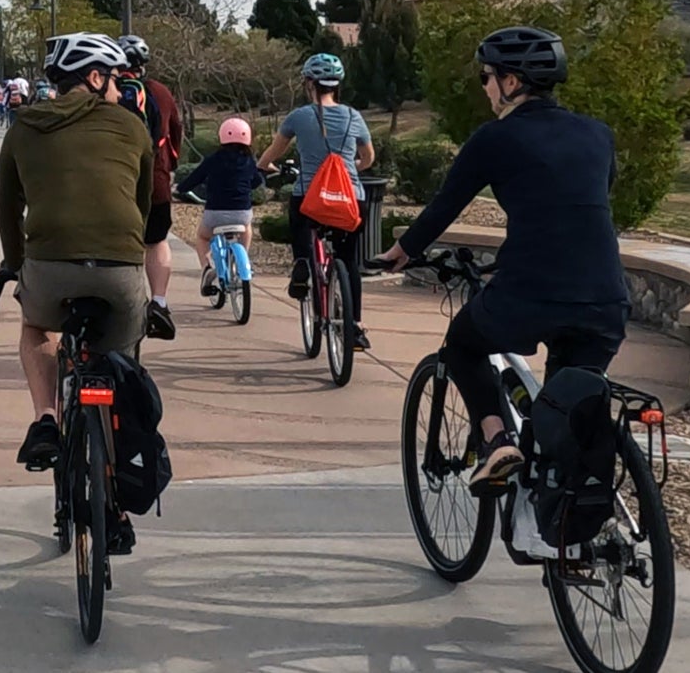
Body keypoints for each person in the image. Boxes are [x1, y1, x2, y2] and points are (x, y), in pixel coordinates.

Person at [376, 26, 630, 493]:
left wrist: (401, 252)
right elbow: (581, 204)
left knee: (462, 344)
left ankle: (497, 443)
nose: (485, 87)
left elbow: (445, 205)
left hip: (533, 292)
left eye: (486, 76)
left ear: (511, 82)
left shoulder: (494, 138)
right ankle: (577, 537)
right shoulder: (599, 134)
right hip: (606, 297)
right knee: (568, 405)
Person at [0, 32, 153, 552]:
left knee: (36, 328)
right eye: (113, 79)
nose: (117, 89)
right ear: (93, 77)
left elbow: (6, 204)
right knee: (121, 361)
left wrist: (16, 266)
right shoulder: (131, 126)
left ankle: (45, 419)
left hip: (50, 268)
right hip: (120, 270)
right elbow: (146, 205)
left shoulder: (23, 127)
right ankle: (114, 500)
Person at [256, 52, 376, 349]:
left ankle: (301, 265)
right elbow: (369, 158)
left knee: (299, 219)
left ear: (309, 83)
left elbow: (268, 158)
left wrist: (270, 169)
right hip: (351, 199)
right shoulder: (354, 116)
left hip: (312, 199)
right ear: (337, 85)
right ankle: (356, 327)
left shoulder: (299, 117)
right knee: (348, 262)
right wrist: (349, 171)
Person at [118, 34, 184, 340]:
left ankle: (118, 299)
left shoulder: (105, 90)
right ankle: (159, 302)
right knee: (156, 241)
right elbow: (176, 131)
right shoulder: (160, 91)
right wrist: (170, 167)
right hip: (155, 181)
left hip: (115, 182)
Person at [173, 118, 265, 295]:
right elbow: (256, 182)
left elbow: (194, 178)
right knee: (247, 228)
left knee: (202, 237)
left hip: (215, 213)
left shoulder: (213, 159)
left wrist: (179, 188)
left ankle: (207, 268)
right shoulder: (248, 161)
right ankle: (241, 260)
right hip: (242, 213)